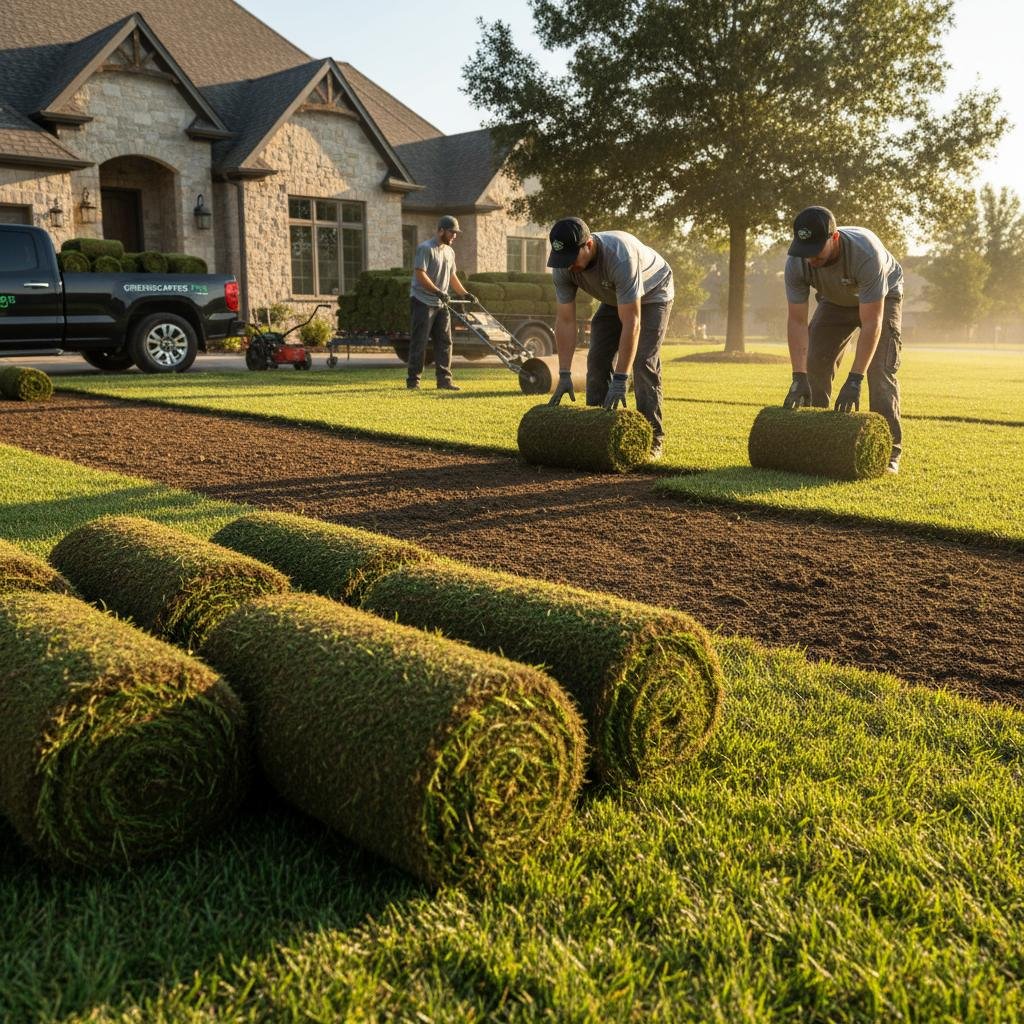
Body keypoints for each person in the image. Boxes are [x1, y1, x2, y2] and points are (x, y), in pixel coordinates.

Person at [783, 205, 904, 473]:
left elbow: (872, 322)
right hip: (834, 299)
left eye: (816, 248)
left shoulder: (865, 253)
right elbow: (797, 321)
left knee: (879, 371)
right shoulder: (796, 262)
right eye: (805, 249)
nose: (810, 257)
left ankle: (889, 452)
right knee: (815, 362)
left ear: (834, 237)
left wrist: (854, 379)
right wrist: (798, 376)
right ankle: (819, 441)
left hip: (882, 298)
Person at [546, 217, 674, 460]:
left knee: (643, 361)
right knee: (597, 358)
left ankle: (653, 438)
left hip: (655, 291)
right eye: (563, 259)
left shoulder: (619, 257)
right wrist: (564, 373)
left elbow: (631, 322)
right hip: (616, 296)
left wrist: (621, 379)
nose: (569, 265)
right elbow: (565, 321)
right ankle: (597, 431)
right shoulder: (563, 267)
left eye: (573, 257)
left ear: (589, 245)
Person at [407, 215, 475, 391]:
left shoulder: (449, 252)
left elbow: (452, 277)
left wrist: (465, 294)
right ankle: (413, 381)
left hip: (441, 303)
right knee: (419, 342)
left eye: (456, 233)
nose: (454, 236)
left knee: (445, 342)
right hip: (422, 301)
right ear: (441, 230)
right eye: (452, 232)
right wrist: (437, 291)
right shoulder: (425, 248)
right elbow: (420, 274)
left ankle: (444, 381)